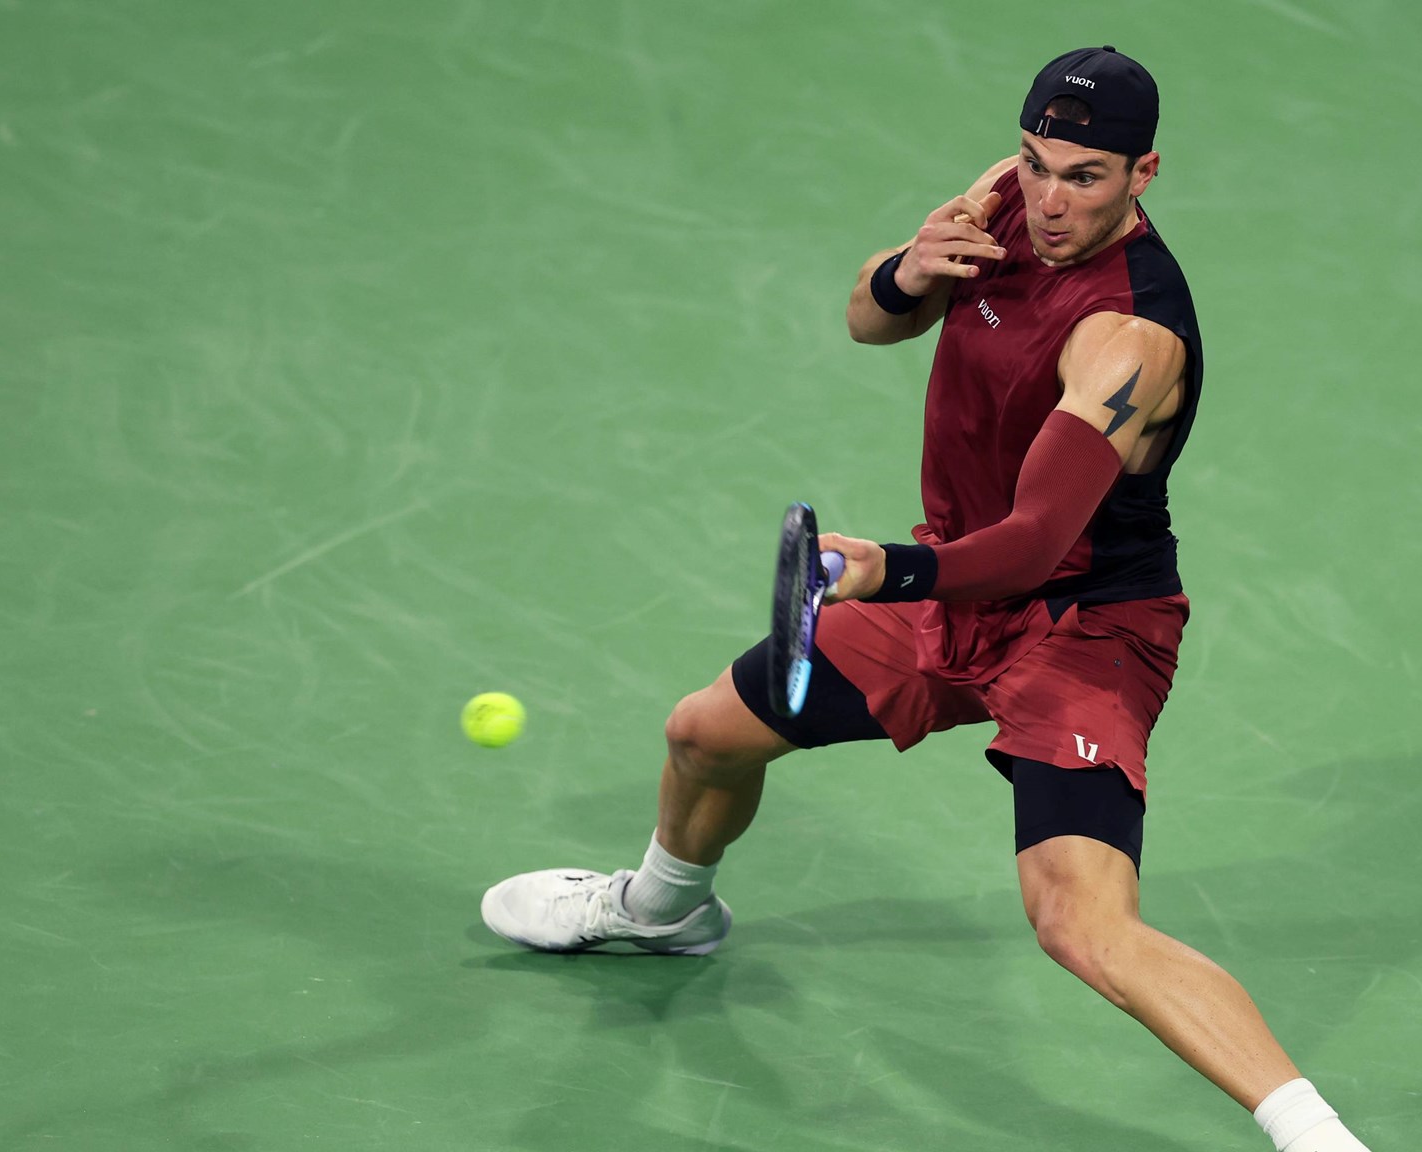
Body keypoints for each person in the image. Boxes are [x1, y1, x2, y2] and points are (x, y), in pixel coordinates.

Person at [480, 46, 1372, 1152]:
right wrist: (909, 268)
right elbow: (870, 318)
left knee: (1080, 924)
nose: (1048, 199)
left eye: (1083, 177)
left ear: (1144, 173)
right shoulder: (1004, 198)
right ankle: (662, 911)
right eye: (1036, 162)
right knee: (705, 734)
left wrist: (883, 572)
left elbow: (1035, 543)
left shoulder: (1129, 338)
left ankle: (1316, 1136)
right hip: (953, 588)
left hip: (1082, 625)